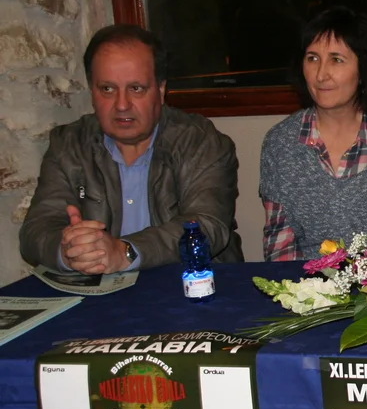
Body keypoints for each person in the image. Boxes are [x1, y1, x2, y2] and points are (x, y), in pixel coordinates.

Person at [20, 24, 243, 273]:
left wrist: (124, 251)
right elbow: (35, 231)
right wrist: (70, 250)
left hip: (190, 285)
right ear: (92, 92)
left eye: (136, 88)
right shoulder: (69, 145)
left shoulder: (201, 142)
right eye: (107, 89)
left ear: (160, 90)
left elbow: (207, 226)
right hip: (98, 291)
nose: (122, 105)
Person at [259, 6, 367, 260]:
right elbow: (280, 240)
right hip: (304, 280)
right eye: (312, 58)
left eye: (336, 60)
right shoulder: (280, 142)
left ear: (363, 69)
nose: (321, 75)